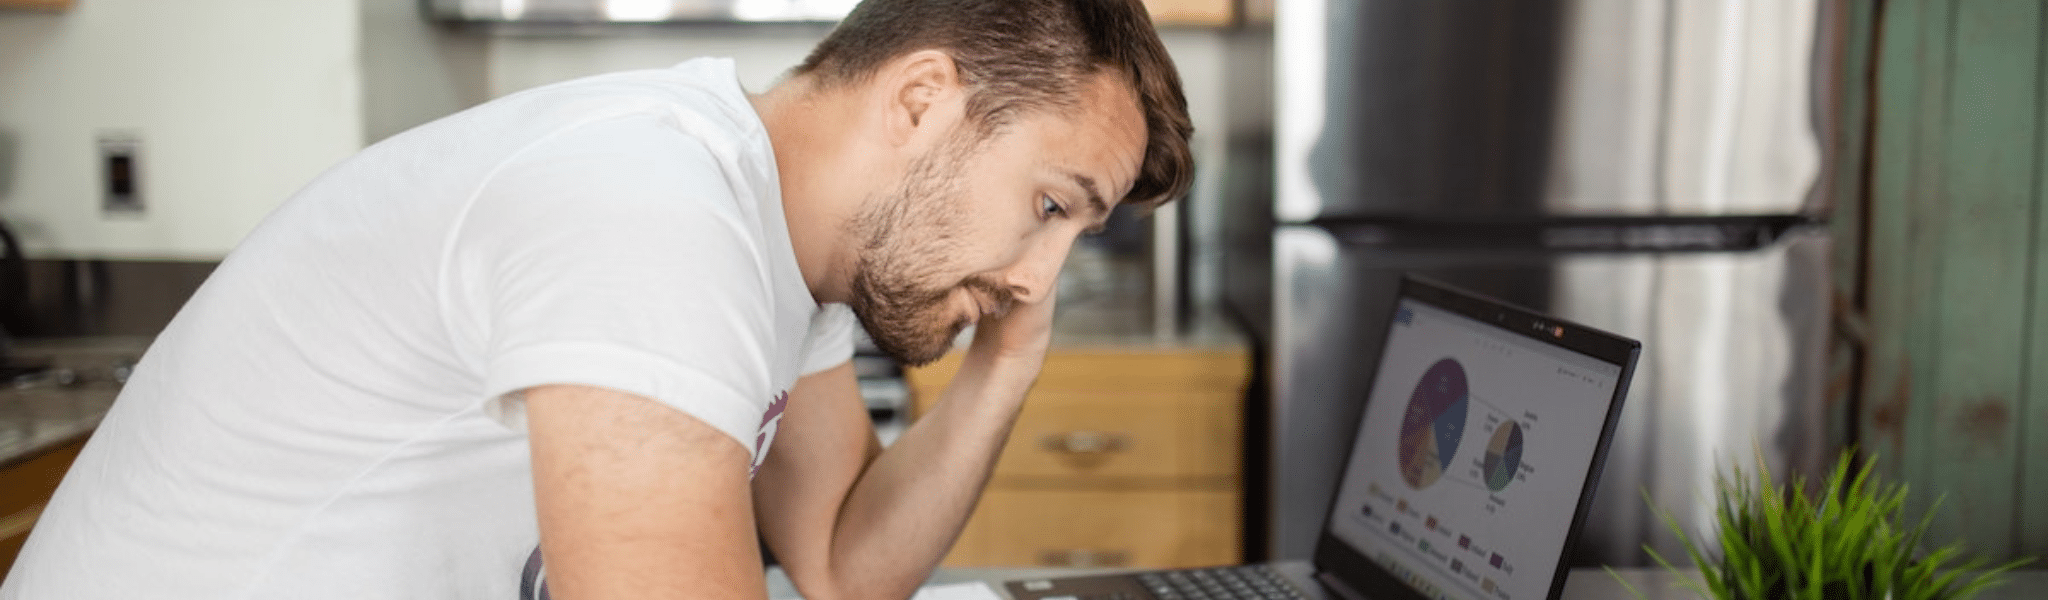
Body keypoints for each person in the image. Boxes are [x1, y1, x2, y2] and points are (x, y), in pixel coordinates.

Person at [0, 0, 1191, 598]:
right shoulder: (648, 202)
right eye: (1050, 204)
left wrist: (1006, 360)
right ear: (924, 99)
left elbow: (836, 567)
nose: (1041, 277)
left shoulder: (778, 243)